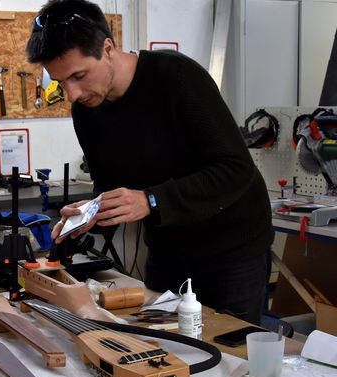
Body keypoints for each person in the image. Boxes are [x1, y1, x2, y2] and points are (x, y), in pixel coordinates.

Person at [27, 0, 274, 324]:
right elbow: (109, 184)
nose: (72, 94)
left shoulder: (177, 77)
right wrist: (92, 210)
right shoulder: (87, 111)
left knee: (230, 355)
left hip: (231, 249)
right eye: (60, 83)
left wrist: (151, 199)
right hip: (169, 249)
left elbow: (235, 168)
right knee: (165, 347)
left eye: (79, 76)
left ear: (108, 47)